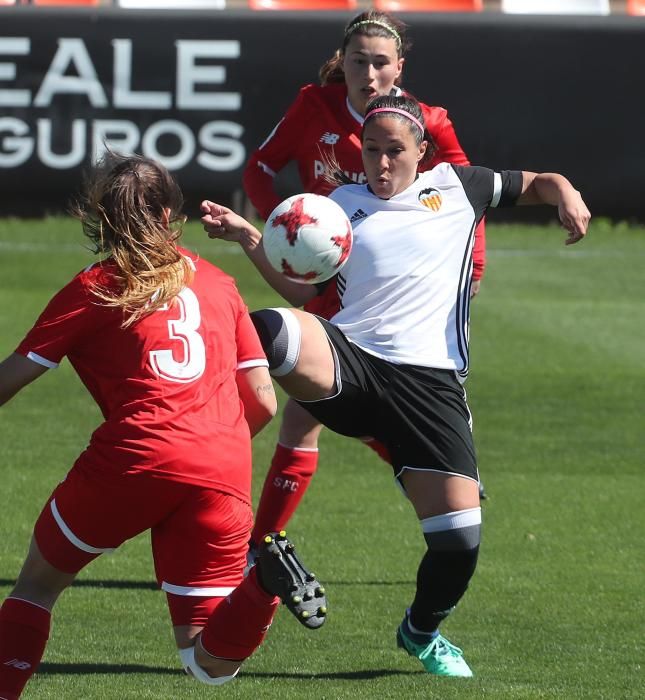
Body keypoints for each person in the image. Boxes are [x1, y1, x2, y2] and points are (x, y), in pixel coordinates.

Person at [201, 93, 590, 677]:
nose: (381, 165)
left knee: (458, 541)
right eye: (372, 152)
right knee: (272, 330)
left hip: (430, 388)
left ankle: (422, 631)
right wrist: (248, 236)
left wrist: (565, 191)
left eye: (395, 153)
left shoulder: (462, 187)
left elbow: (536, 182)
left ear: (422, 153)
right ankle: (203, 446)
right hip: (351, 362)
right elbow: (305, 293)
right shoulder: (341, 205)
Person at [0, 153, 327, 700]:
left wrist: (168, 453)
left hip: (135, 457)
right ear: (171, 213)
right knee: (207, 664)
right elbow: (264, 402)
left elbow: (11, 379)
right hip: (223, 462)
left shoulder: (97, 286)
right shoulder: (221, 284)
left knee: (36, 584)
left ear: (102, 217)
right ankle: (264, 585)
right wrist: (201, 449)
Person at [243, 10, 487, 555]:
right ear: (344, 63)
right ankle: (264, 544)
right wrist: (282, 227)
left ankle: (262, 545)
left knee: (320, 409)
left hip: (385, 287)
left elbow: (468, 201)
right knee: (308, 413)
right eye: (360, 61)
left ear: (399, 67)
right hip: (322, 277)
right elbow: (259, 167)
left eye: (381, 63)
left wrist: (471, 273)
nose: (370, 73)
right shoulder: (314, 106)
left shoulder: (427, 122)